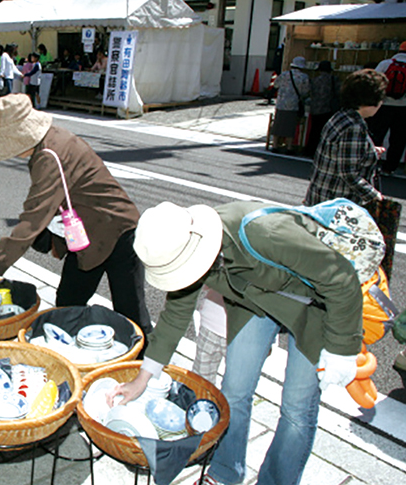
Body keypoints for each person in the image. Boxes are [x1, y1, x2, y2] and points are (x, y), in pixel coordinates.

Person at [109, 200, 363, 485]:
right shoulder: (182, 246)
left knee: (296, 408)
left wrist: (343, 350)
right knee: (233, 391)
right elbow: (175, 314)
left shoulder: (264, 232)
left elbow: (342, 279)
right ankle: (224, 473)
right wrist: (143, 378)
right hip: (254, 302)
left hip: (314, 308)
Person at [0, 94, 152, 333]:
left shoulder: (48, 156)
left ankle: (148, 368)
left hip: (117, 231)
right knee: (67, 302)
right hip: (85, 235)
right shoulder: (50, 141)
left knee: (132, 314)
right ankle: (79, 349)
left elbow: (32, 219)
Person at [305, 68, 387, 207]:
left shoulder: (341, 116)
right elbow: (349, 174)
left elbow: (338, 154)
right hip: (337, 204)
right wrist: (375, 196)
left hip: (321, 196)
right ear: (371, 100)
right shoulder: (354, 126)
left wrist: (370, 151)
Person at [369, 41, 406, 174]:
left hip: (383, 105)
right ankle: (389, 168)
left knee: (376, 135)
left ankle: (370, 162)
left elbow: (374, 82)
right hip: (403, 108)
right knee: (398, 139)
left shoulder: (386, 63)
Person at [270, 56, 310, 153]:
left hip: (281, 103)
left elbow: (275, 84)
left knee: (278, 124)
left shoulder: (284, 74)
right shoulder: (304, 77)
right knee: (290, 126)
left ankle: (275, 145)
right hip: (293, 105)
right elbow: (306, 91)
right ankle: (289, 147)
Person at [304, 60, 341, 156]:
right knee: (326, 132)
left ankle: (310, 150)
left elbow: (309, 93)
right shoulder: (334, 79)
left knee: (314, 130)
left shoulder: (314, 80)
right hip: (328, 108)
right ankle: (323, 151)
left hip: (315, 108)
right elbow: (339, 93)